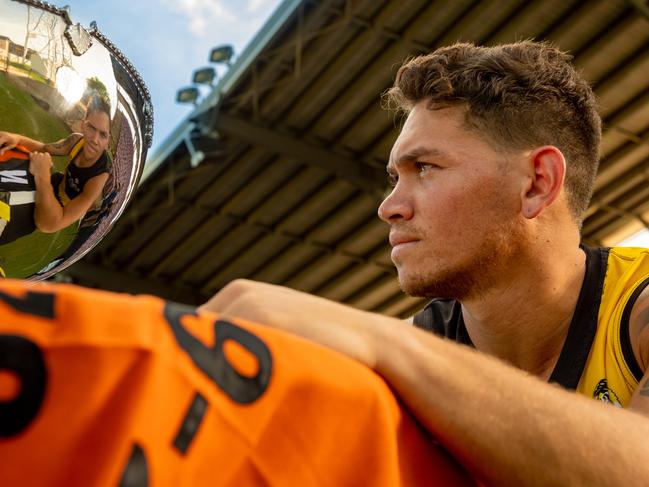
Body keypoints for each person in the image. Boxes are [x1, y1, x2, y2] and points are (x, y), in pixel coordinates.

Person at [199, 41, 649, 485]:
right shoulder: (418, 348)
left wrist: (383, 343)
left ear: (536, 183)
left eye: (426, 168)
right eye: (396, 178)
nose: (389, 207)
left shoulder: (637, 305)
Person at [0, 95, 111, 242]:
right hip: (53, 183)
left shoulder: (98, 179)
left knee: (8, 217)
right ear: (83, 125)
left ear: (108, 140)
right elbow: (44, 148)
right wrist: (16, 138)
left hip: (55, 209)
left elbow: (49, 224)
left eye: (103, 134)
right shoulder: (76, 141)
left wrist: (42, 175)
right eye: (91, 128)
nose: (95, 140)